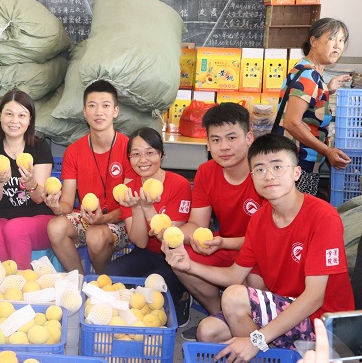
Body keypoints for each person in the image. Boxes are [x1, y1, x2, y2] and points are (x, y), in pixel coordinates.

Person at [163, 133, 354, 360]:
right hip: (285, 305)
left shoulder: (323, 217)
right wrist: (188, 266)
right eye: (260, 169)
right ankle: (280, 353)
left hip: (325, 322)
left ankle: (270, 352)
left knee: (234, 298)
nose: (269, 175)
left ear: (296, 173)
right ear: (252, 177)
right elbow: (235, 275)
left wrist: (257, 340)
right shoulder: (260, 218)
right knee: (208, 331)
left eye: (277, 166)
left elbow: (314, 297)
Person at [161, 102, 264, 323]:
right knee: (180, 257)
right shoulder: (206, 172)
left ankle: (247, 320)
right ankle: (220, 315)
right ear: (207, 144)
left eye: (231, 137)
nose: (224, 147)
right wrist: (170, 234)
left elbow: (269, 238)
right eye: (216, 140)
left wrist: (224, 243)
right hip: (224, 245)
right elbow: (197, 224)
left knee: (253, 284)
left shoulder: (264, 173)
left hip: (260, 251)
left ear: (249, 137)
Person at [103, 127, 192, 326]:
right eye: (136, 154)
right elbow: (141, 242)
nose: (143, 160)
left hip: (174, 256)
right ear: (129, 158)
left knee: (150, 288)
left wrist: (148, 208)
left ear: (161, 154)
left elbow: (170, 239)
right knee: (111, 275)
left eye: (150, 152)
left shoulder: (180, 184)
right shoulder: (128, 190)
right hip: (146, 253)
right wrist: (137, 207)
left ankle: (183, 295)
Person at [45, 80, 136, 274]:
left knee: (95, 236)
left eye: (106, 106)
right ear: (85, 112)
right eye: (92, 106)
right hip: (87, 218)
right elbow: (67, 203)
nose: (99, 112)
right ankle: (81, 281)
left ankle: (101, 282)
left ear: (115, 111)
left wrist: (104, 218)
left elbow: (130, 206)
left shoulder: (130, 149)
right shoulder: (73, 151)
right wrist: (56, 207)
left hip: (122, 220)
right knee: (55, 227)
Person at [0, 90, 54, 269]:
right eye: (9, 114)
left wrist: (31, 183)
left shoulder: (40, 147)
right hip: (5, 218)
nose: (15, 121)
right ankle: (8, 280)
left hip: (39, 219)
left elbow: (39, 198)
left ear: (30, 120)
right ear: (0, 116)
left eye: (22, 115)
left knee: (15, 228)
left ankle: (23, 280)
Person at [279, 18, 352, 196]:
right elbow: (292, 123)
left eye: (341, 40)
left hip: (299, 160)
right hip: (299, 163)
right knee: (298, 209)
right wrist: (327, 151)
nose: (337, 46)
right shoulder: (309, 75)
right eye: (331, 38)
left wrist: (328, 90)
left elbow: (309, 106)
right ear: (314, 41)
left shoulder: (309, 69)